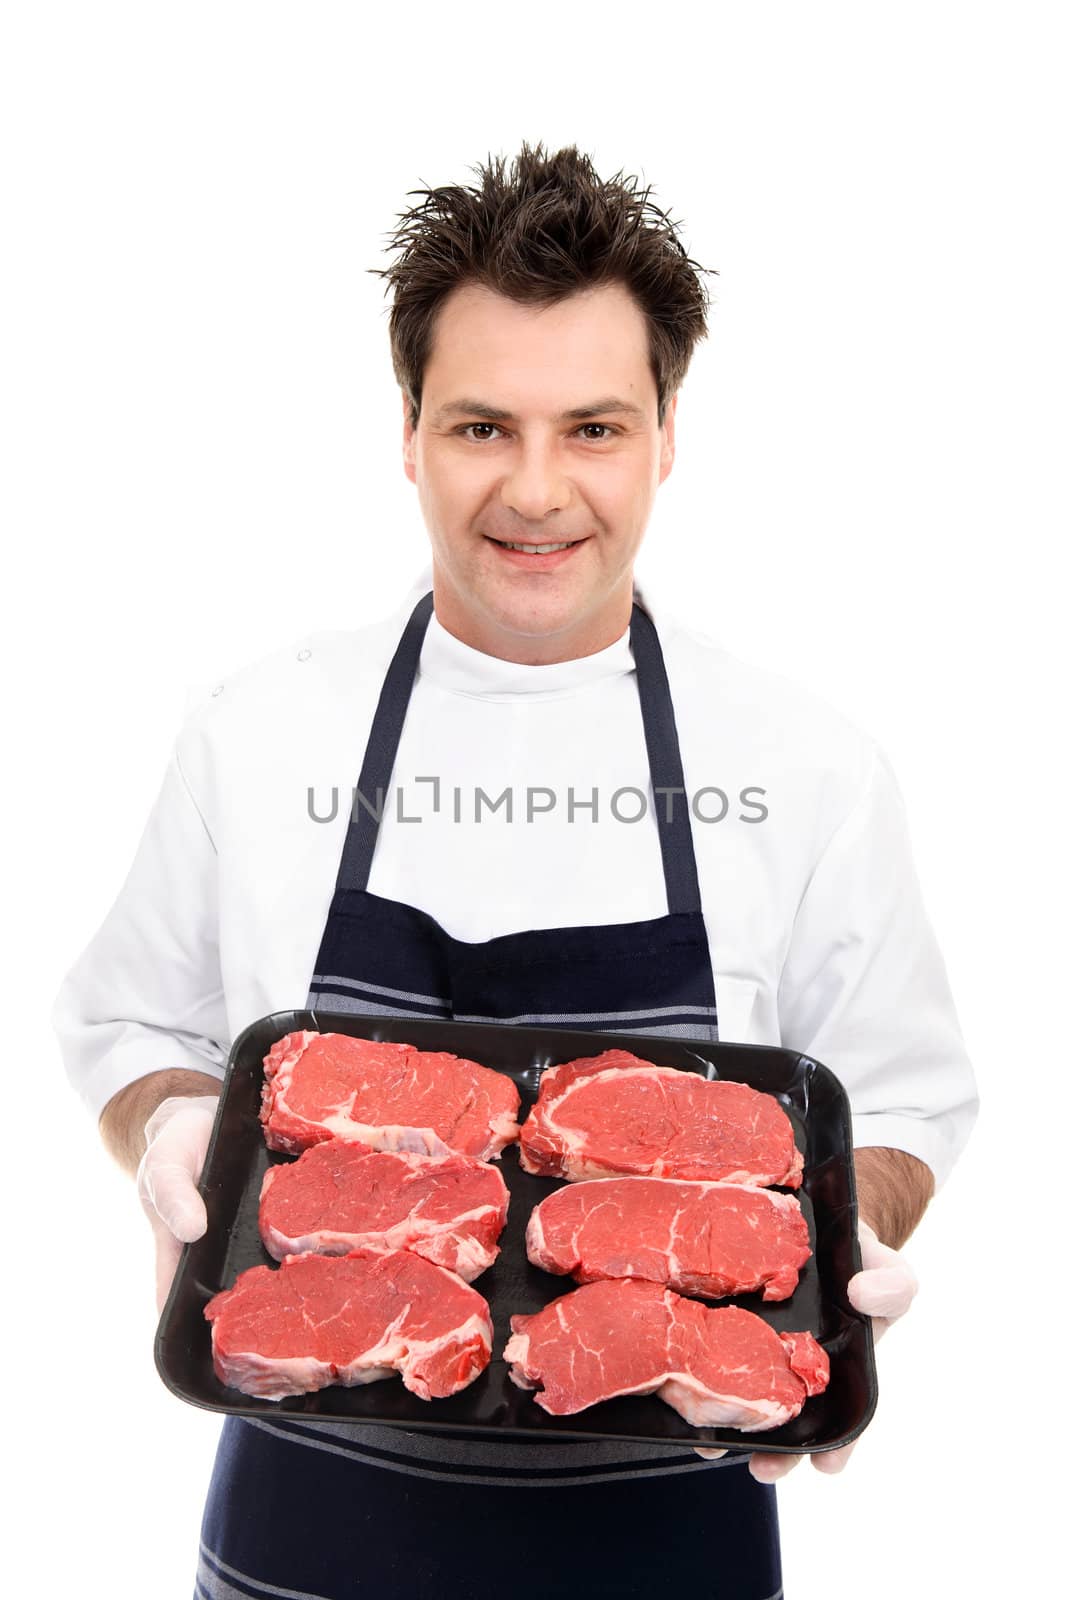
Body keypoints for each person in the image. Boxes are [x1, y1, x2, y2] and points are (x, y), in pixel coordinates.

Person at [53, 141, 979, 1600]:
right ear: (408, 431)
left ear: (668, 435)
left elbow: (905, 1089)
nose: (539, 491)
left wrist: (829, 1239)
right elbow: (137, 1031)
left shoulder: (809, 766)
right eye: (484, 426)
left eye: (594, 427)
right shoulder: (255, 731)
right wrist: (173, 1139)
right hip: (308, 1536)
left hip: (674, 1535)